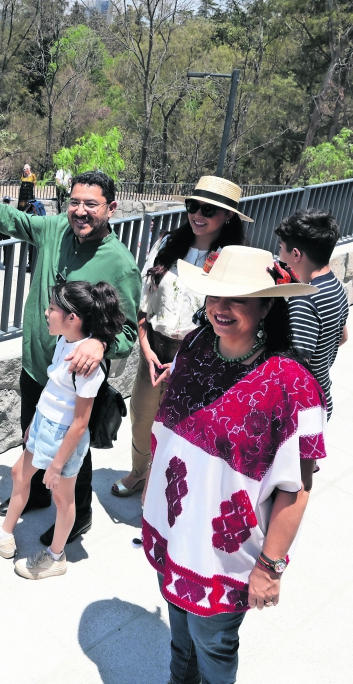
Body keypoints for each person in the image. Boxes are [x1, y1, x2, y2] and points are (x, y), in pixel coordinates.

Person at [0, 169, 141, 545]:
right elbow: (12, 219)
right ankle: (38, 494)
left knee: (74, 455)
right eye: (74, 201)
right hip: (37, 367)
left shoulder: (120, 265)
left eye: (91, 204)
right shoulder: (55, 228)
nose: (80, 211)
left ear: (112, 208)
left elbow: (127, 332)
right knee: (34, 437)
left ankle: (79, 516)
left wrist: (102, 344)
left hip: (77, 384)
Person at [139, 246, 324, 684]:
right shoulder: (197, 344)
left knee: (214, 648)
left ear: (266, 306)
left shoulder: (290, 384)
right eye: (215, 296)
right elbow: (168, 432)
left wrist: (270, 566)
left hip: (223, 554)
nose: (221, 309)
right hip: (174, 530)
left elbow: (295, 487)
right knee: (181, 637)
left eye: (238, 298)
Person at [0, 281, 126, 578]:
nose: (46, 313)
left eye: (53, 308)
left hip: (65, 435)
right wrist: (35, 422)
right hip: (46, 423)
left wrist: (56, 466)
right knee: (19, 474)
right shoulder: (64, 341)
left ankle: (56, 557)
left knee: (62, 497)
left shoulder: (87, 364)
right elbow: (53, 390)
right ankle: (4, 537)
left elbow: (80, 423)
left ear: (73, 318)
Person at [113, 174, 249, 499]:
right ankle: (139, 472)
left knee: (181, 427)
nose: (198, 215)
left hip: (199, 357)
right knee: (142, 419)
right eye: (193, 206)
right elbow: (144, 304)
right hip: (155, 351)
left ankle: (162, 485)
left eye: (209, 210)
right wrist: (146, 350)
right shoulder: (166, 244)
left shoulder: (230, 262)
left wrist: (185, 362)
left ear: (228, 216)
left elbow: (229, 322)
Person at [275, 209, 349, 419]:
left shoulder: (304, 298)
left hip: (302, 408)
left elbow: (295, 367)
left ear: (296, 254)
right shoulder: (336, 286)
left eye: (281, 248)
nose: (279, 255)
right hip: (322, 394)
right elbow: (343, 337)